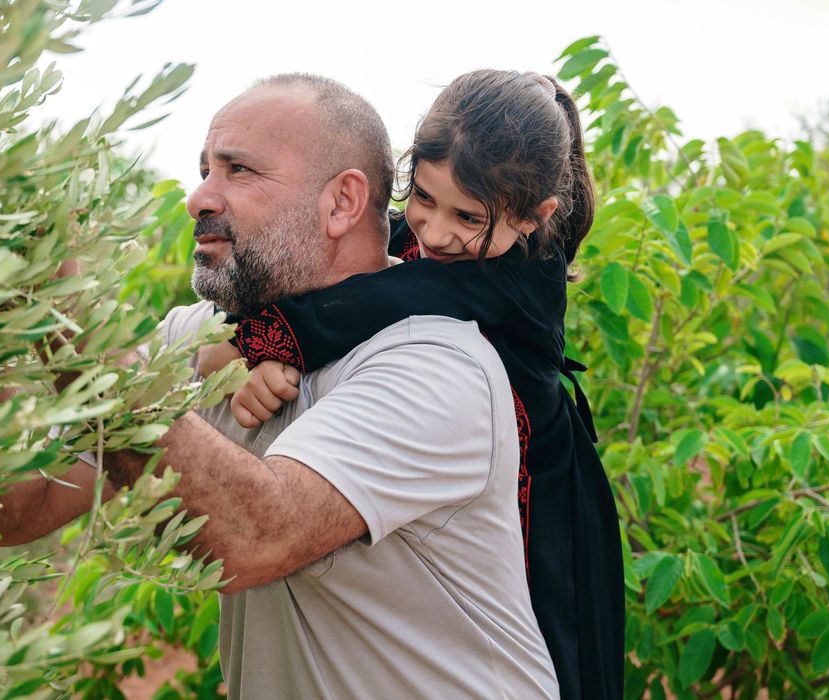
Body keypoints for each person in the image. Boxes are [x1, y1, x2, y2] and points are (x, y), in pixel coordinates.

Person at [0, 73, 559, 697]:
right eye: (204, 168)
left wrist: (67, 320)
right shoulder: (205, 339)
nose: (198, 198)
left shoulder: (437, 363)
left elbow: (253, 535)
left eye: (238, 171)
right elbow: (15, 509)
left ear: (343, 202)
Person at [199, 70, 624, 700]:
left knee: (557, 640)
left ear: (537, 218)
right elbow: (349, 275)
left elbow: (381, 298)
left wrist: (250, 346)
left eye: (469, 216)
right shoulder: (438, 236)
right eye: (423, 198)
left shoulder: (518, 276)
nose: (436, 232)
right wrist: (283, 353)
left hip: (542, 488)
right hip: (469, 468)